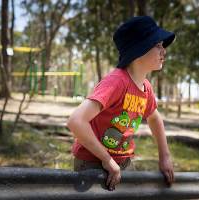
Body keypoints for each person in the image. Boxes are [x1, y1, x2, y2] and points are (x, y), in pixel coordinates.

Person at [67, 16, 176, 191]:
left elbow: (155, 119)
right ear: (140, 49)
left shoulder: (146, 88)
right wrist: (107, 159)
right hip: (92, 162)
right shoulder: (116, 82)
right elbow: (76, 121)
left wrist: (164, 156)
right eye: (158, 45)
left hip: (122, 162)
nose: (164, 51)